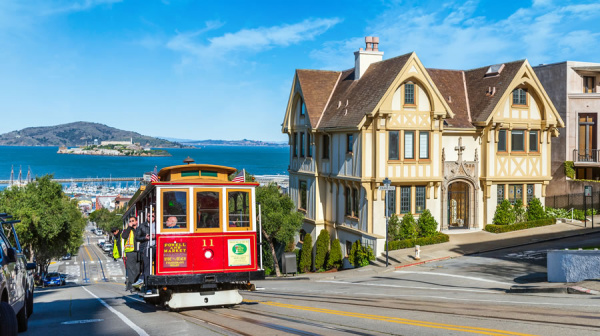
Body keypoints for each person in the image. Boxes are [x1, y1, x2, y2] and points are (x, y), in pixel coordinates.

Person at [121, 216, 141, 291]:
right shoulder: (127, 230)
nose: (131, 222)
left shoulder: (139, 229)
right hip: (130, 252)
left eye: (133, 221)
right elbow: (124, 236)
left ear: (136, 222)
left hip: (139, 251)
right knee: (131, 270)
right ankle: (132, 286)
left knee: (138, 269)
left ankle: (137, 284)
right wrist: (129, 227)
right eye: (130, 221)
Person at [135, 212, 152, 293]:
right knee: (146, 267)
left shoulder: (158, 225)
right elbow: (137, 238)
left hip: (157, 248)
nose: (151, 217)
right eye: (149, 216)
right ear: (146, 217)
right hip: (146, 249)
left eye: (153, 216)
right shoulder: (142, 226)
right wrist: (145, 238)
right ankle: (147, 286)